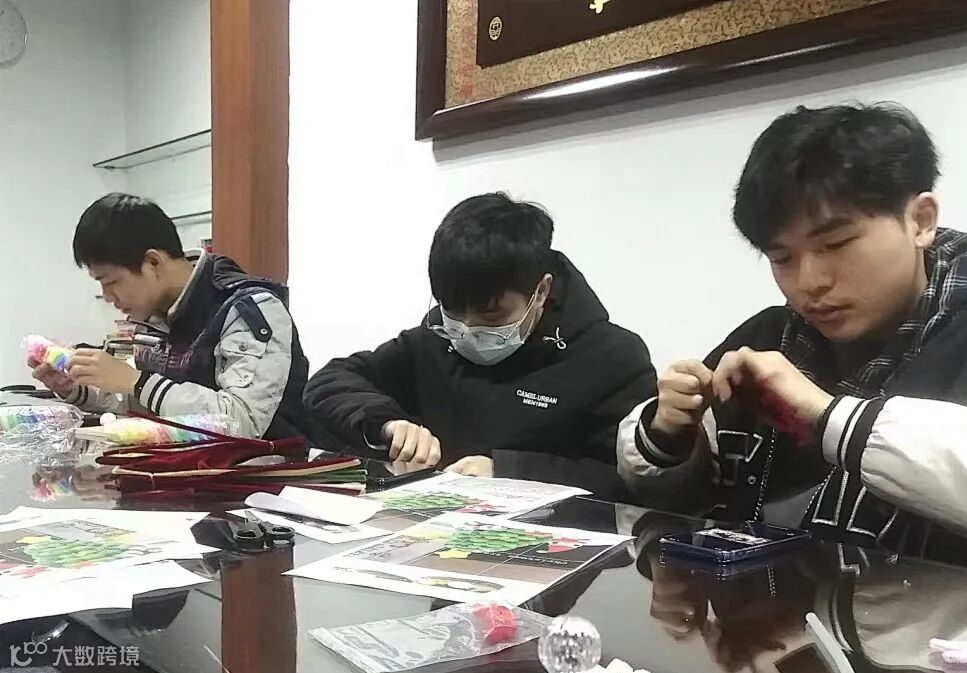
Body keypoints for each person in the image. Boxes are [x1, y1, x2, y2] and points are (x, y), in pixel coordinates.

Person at [617, 103, 967, 577]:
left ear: (920, 221)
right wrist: (667, 434)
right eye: (782, 259)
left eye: (836, 244)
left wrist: (829, 415)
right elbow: (670, 497)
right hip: (758, 612)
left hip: (947, 624)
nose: (809, 282)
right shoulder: (768, 337)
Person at [304, 192, 655, 497]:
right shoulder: (436, 338)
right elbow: (329, 382)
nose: (468, 330)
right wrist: (387, 424)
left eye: (491, 314)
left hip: (547, 538)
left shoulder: (611, 357)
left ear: (541, 291)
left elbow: (627, 479)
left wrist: (507, 471)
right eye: (453, 310)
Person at [29, 193, 311, 440]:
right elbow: (152, 403)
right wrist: (79, 390)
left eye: (111, 282)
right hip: (188, 472)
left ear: (153, 262)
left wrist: (136, 381)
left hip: (264, 477)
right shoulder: (155, 315)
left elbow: (241, 422)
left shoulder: (249, 309)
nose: (107, 296)